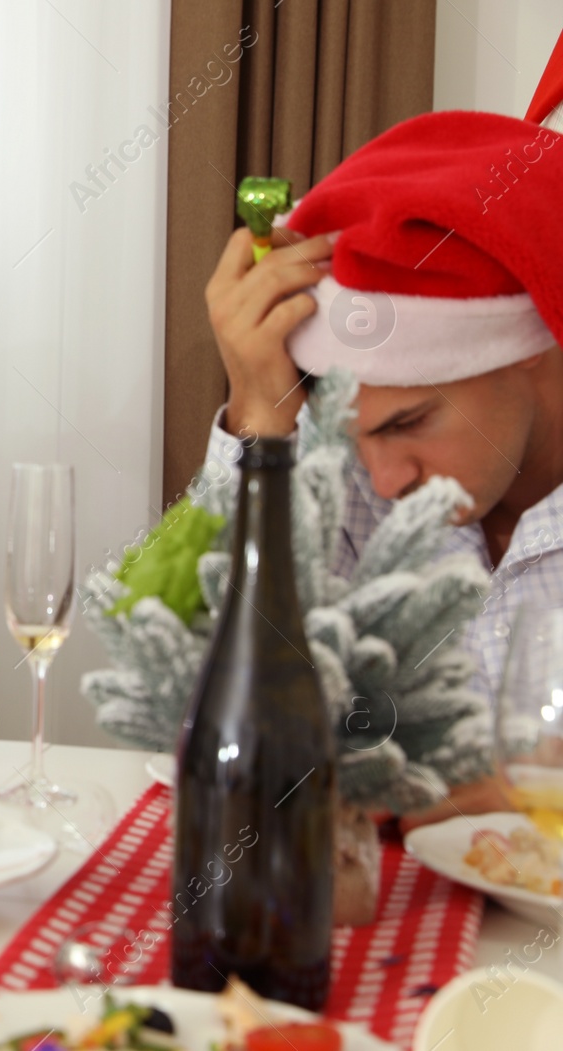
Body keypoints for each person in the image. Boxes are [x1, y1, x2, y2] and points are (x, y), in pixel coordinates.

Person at [201, 108, 563, 829]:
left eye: (409, 421)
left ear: (531, 343)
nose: (387, 478)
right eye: (351, 429)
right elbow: (208, 692)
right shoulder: (351, 473)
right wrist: (260, 417)